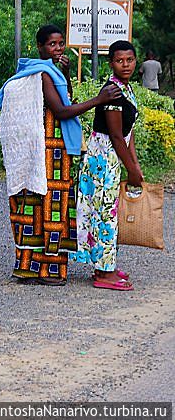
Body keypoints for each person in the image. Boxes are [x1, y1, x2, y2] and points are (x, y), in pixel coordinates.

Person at [0, 24, 122, 286]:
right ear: (40, 47)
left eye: (61, 43)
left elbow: (65, 99)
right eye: (52, 44)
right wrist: (99, 99)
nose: (58, 48)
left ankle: (32, 268)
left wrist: (64, 73)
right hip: (48, 151)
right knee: (49, 206)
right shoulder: (42, 74)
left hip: (54, 150)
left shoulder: (51, 73)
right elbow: (62, 111)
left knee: (43, 206)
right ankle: (44, 270)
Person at [72, 40, 142, 291]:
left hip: (113, 158)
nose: (125, 65)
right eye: (120, 60)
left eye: (130, 60)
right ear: (110, 63)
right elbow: (114, 135)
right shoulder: (112, 91)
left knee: (107, 211)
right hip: (103, 160)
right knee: (104, 213)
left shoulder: (126, 88)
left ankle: (106, 265)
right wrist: (131, 169)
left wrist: (134, 164)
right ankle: (104, 272)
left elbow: (127, 132)